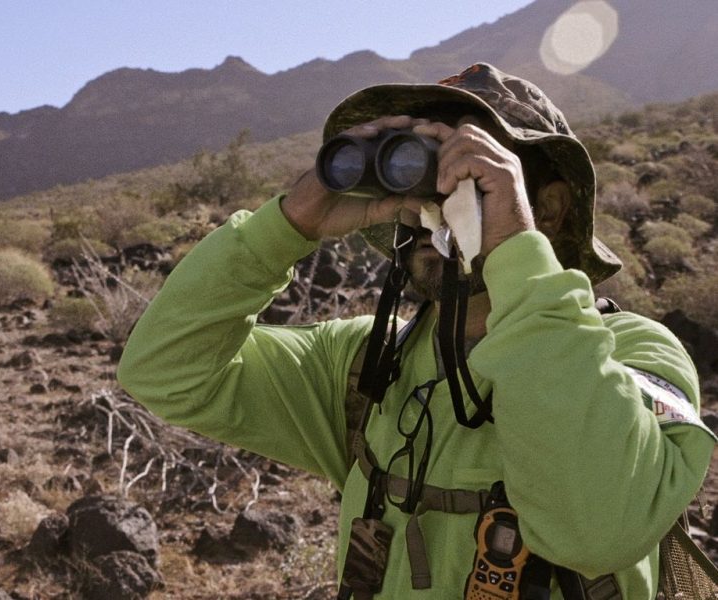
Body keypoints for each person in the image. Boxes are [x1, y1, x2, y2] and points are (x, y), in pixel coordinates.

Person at [117, 63, 715, 599]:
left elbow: (594, 531)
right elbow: (164, 370)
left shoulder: (634, 354)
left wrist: (510, 247)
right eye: (415, 171)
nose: (430, 204)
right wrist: (287, 226)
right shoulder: (364, 364)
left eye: (467, 173)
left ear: (550, 208)